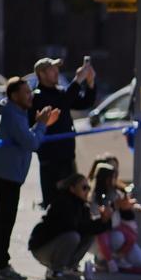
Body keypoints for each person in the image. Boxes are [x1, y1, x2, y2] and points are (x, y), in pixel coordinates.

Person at [0, 77, 59, 280]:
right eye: (26, 92)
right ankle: (0, 262)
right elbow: (31, 143)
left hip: (10, 173)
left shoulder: (17, 111)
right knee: (4, 219)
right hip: (7, 174)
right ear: (14, 95)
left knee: (2, 217)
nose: (30, 95)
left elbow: (27, 138)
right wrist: (42, 124)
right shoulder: (13, 115)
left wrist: (39, 125)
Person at [30, 57, 96, 208]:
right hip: (51, 159)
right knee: (56, 203)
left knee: (72, 199)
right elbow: (61, 104)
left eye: (57, 69)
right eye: (52, 69)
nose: (56, 72)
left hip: (67, 156)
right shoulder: (37, 96)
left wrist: (90, 83)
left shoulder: (60, 92)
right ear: (41, 74)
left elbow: (84, 102)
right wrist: (78, 80)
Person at [29, 173, 112, 280]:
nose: (87, 191)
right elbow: (73, 226)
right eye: (84, 188)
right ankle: (55, 270)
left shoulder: (82, 206)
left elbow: (87, 228)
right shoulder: (62, 203)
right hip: (42, 247)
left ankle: (69, 267)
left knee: (89, 235)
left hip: (56, 245)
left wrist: (104, 220)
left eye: (88, 188)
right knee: (73, 236)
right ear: (72, 189)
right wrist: (99, 221)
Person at [90, 163, 141, 273]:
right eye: (112, 177)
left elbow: (125, 204)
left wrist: (135, 206)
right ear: (105, 179)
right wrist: (111, 208)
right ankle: (103, 260)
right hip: (102, 234)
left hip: (118, 229)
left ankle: (119, 258)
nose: (114, 180)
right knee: (117, 237)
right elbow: (97, 218)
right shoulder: (94, 197)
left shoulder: (116, 192)